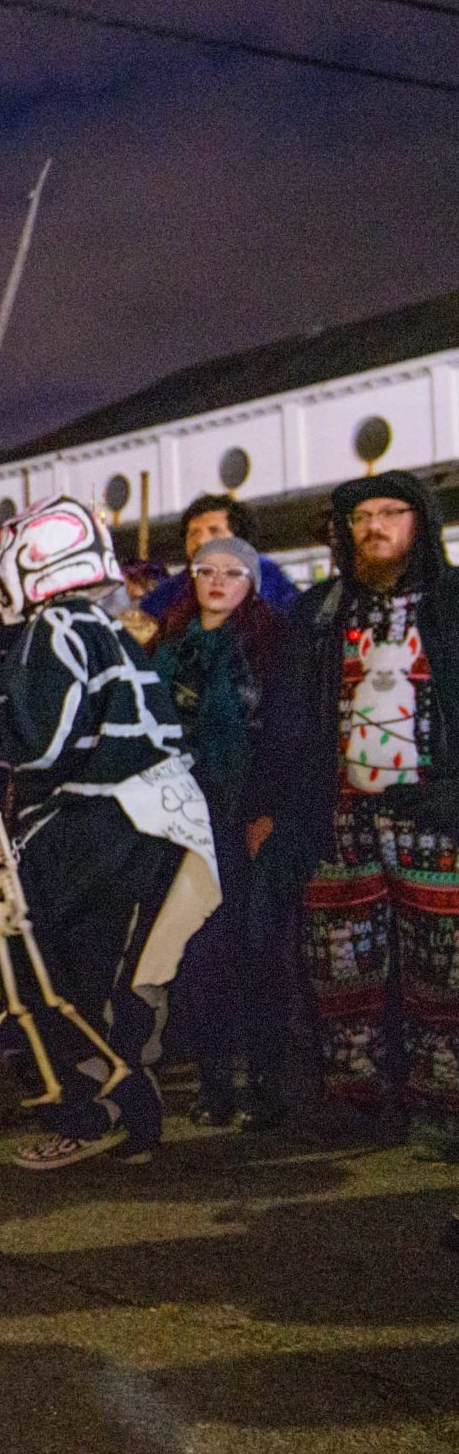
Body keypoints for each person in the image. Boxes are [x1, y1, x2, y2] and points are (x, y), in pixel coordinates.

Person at [0, 496, 216, 1170]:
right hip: (147, 815)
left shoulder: (57, 623)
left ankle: (85, 1108)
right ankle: (125, 1112)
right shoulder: (97, 624)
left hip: (103, 816)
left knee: (26, 963)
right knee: (112, 974)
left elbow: (41, 740)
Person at [263, 472, 459, 1127]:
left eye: (389, 512)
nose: (373, 526)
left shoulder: (453, 604)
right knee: (340, 966)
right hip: (339, 815)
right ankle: (357, 1097)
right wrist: (276, 808)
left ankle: (443, 1100)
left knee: (445, 966)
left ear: (419, 522)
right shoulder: (321, 612)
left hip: (435, 813)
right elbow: (286, 717)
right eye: (360, 516)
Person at [149, 532, 287, 1128]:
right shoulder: (168, 646)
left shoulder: (269, 645)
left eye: (233, 573)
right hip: (179, 815)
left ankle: (260, 1078)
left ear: (250, 583)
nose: (218, 582)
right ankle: (212, 1081)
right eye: (207, 570)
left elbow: (281, 733)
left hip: (242, 817)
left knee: (249, 947)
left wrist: (268, 809)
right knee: (196, 951)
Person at [139, 493, 301, 622]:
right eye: (194, 533)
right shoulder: (168, 594)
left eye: (214, 531)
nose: (201, 541)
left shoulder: (270, 581)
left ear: (239, 539)